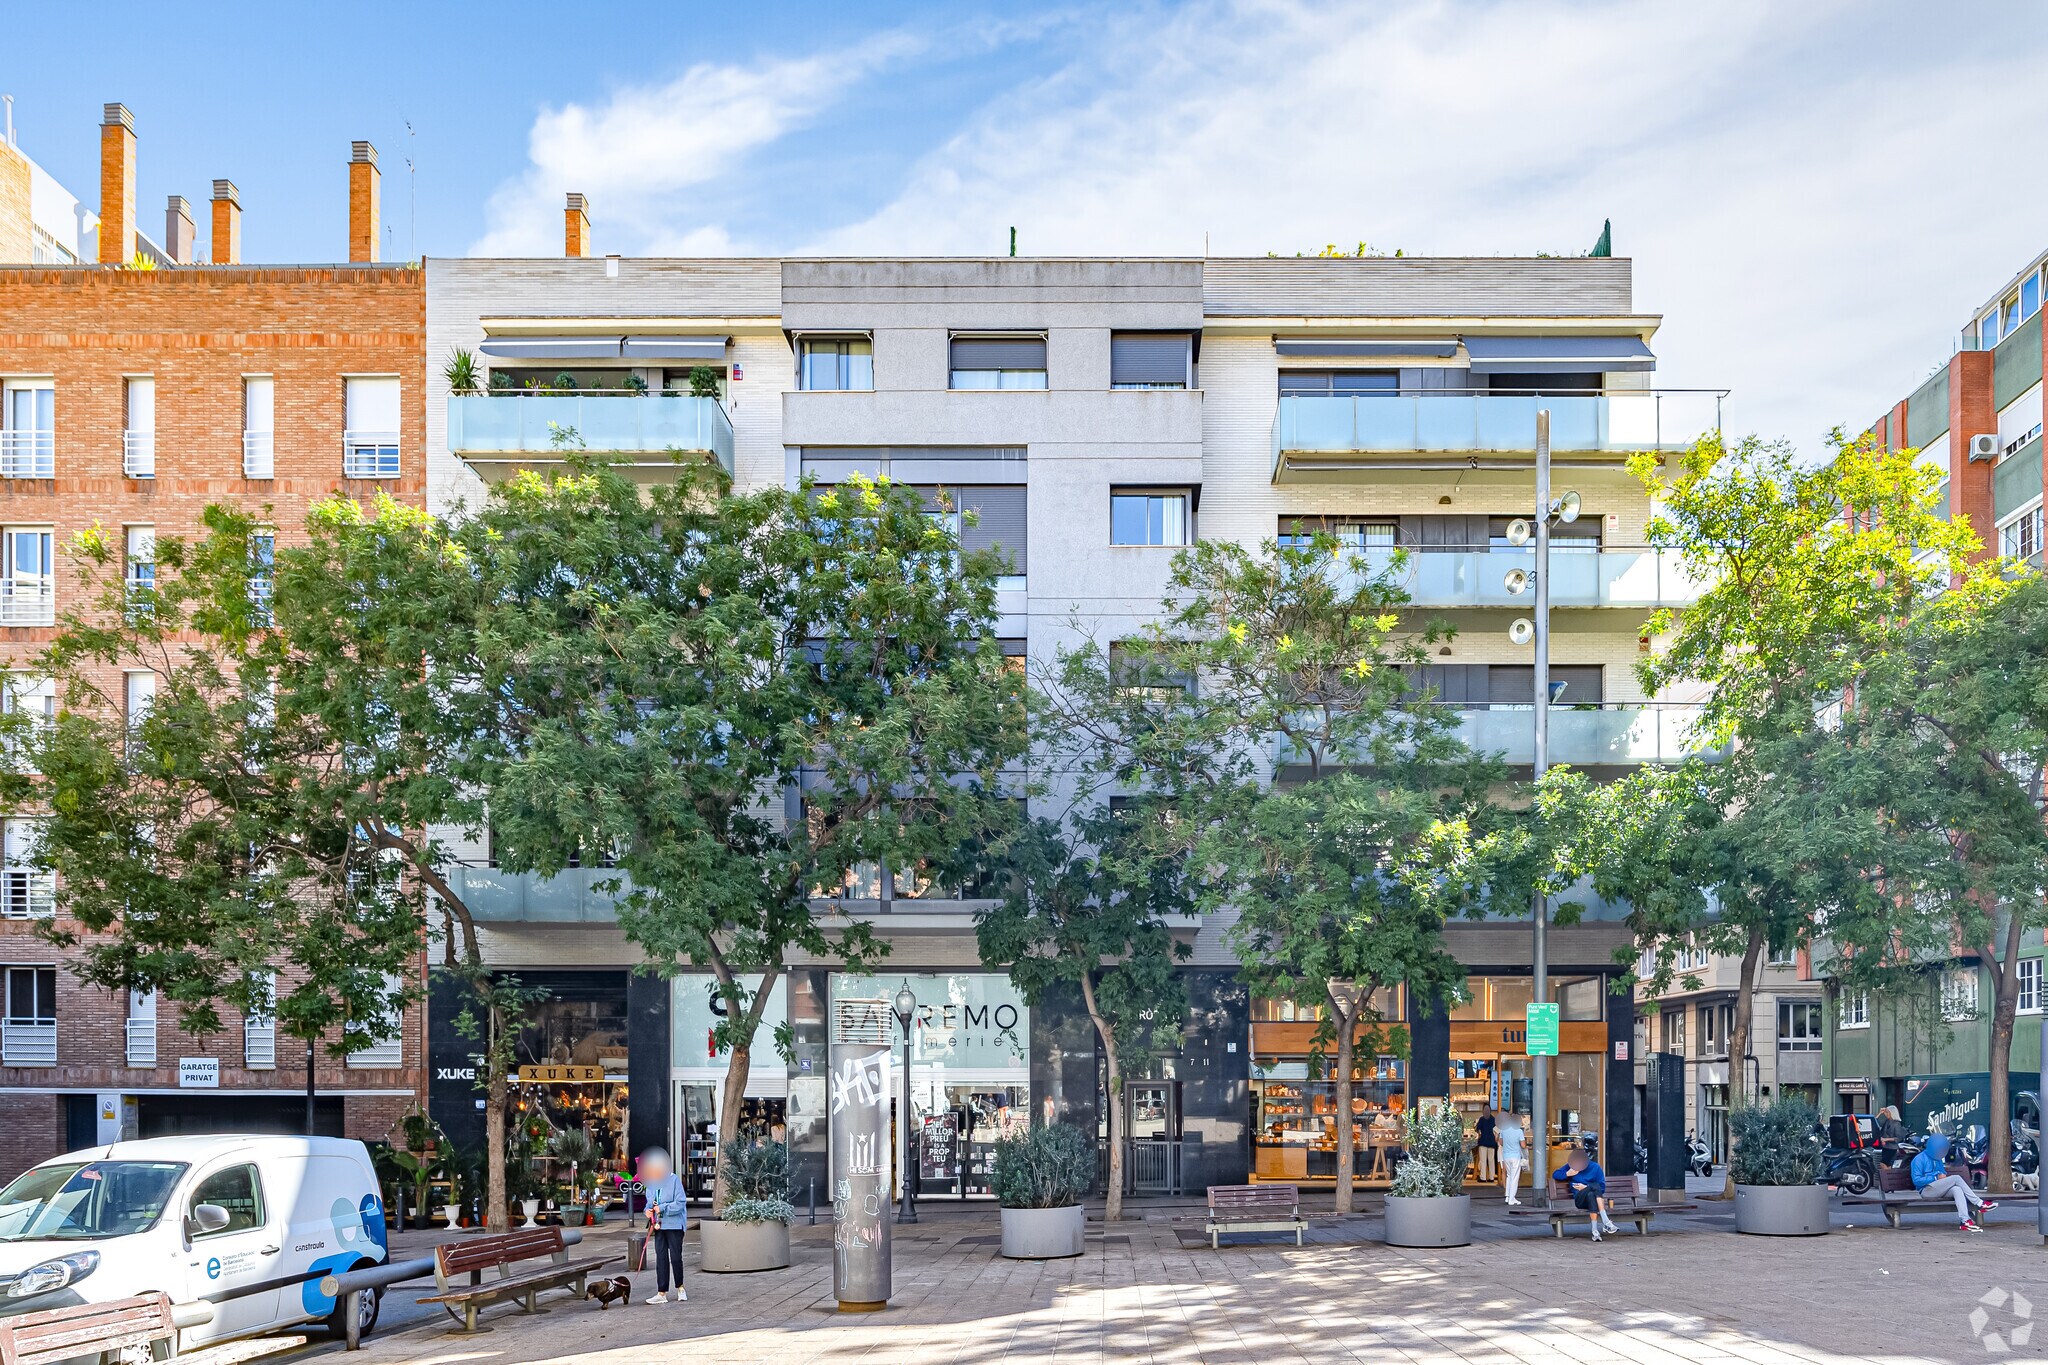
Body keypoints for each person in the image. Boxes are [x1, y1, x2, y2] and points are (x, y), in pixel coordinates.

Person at [1910, 1133, 1996, 1231]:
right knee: (1956, 1178)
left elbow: (1942, 1173)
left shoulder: (1937, 1160)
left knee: (1957, 1189)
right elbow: (1916, 1181)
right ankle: (1979, 1203)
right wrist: (1935, 1178)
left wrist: (1942, 1178)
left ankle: (1965, 1221)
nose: (1941, 1152)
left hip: (1937, 1188)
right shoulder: (1919, 1159)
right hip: (1926, 1190)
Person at [639, 1147, 688, 1303]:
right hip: (658, 1225)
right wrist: (647, 1211)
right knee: (661, 1258)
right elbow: (649, 1203)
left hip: (674, 1225)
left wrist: (664, 1208)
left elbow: (681, 1202)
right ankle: (661, 1293)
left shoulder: (674, 1180)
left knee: (675, 1257)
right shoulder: (651, 1183)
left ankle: (680, 1288)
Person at [1553, 1143, 1613, 1241]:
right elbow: (1555, 1174)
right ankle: (1605, 1220)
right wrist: (1567, 1173)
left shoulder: (1595, 1167)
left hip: (1593, 1199)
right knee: (1594, 1187)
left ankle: (1595, 1232)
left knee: (1591, 1194)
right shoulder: (1570, 1167)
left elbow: (1602, 1188)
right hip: (1580, 1199)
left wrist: (1585, 1187)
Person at [1497, 1111, 1528, 1206]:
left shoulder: (1503, 1130)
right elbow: (1523, 1145)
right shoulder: (1519, 1131)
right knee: (1514, 1178)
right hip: (1515, 1156)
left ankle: (1507, 1196)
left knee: (1509, 1176)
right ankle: (1512, 1198)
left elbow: (1501, 1143)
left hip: (1506, 1156)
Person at [1474, 1107, 1498, 1184]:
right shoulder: (1494, 1119)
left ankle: (1483, 1177)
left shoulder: (1481, 1119)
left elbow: (1478, 1129)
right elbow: (1497, 1131)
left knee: (1483, 1160)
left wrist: (1479, 1133)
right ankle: (1491, 1177)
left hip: (1483, 1142)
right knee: (1491, 1160)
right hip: (1492, 1142)